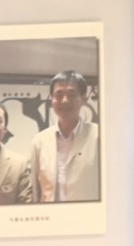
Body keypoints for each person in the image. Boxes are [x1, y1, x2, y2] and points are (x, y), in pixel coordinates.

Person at [28, 70, 101, 202]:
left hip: (86, 213)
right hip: (50, 214)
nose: (65, 100)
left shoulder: (99, 137)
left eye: (72, 95)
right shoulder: (39, 141)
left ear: (84, 99)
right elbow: (35, 193)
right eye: (59, 95)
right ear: (51, 99)